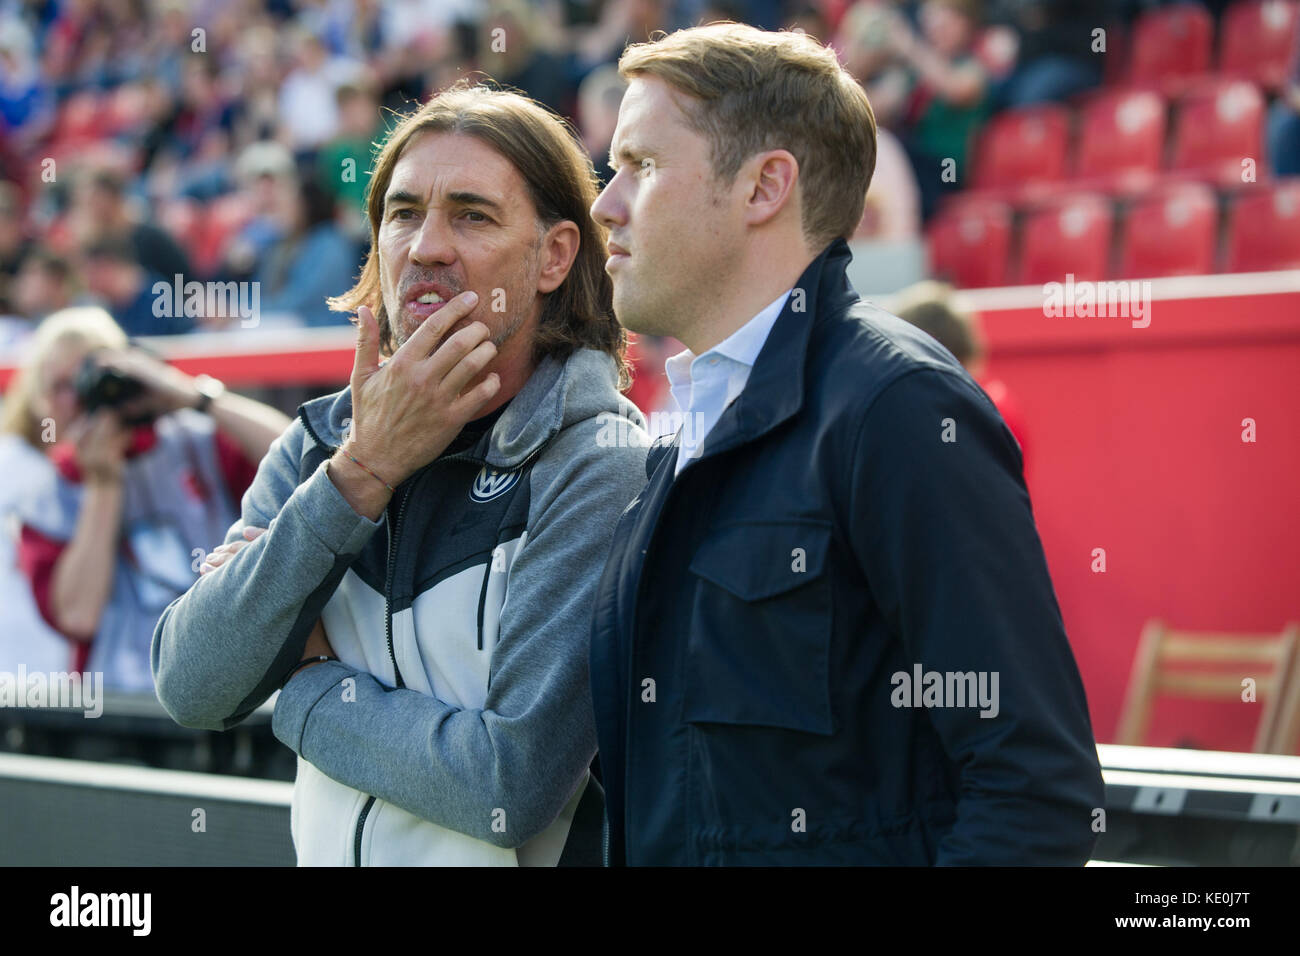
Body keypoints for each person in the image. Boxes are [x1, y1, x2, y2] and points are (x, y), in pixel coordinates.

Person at [587, 23, 1103, 866]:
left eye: (640, 166)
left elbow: (1034, 791)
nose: (607, 202)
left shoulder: (897, 407)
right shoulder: (685, 424)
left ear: (764, 187)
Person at [152, 82, 649, 866]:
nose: (426, 247)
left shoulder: (600, 464)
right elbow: (191, 684)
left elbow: (506, 786)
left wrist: (305, 683)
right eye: (404, 212)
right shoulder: (324, 445)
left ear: (556, 254)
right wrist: (361, 473)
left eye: (473, 215)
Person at [2, 306, 289, 693]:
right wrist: (103, 484)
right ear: (42, 404)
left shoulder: (193, 440)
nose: (79, 399)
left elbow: (296, 460)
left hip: (226, 676)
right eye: (60, 387)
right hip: (122, 697)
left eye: (89, 379)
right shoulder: (49, 492)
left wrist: (192, 395)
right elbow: (79, 617)